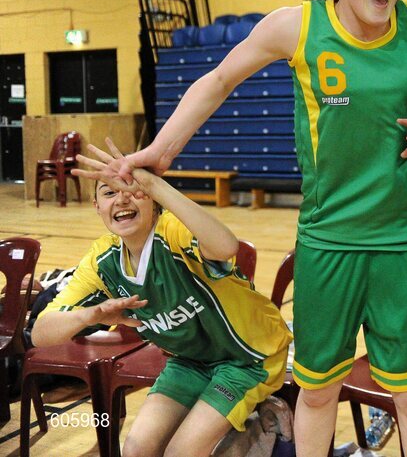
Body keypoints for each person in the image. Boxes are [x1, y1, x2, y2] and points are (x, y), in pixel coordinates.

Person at [117, 0, 407, 457]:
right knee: (317, 392)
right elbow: (217, 80)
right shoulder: (298, 26)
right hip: (326, 242)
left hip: (404, 240)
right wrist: (160, 150)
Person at [35, 139, 292, 457]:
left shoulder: (174, 232)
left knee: (181, 452)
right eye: (110, 192)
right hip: (189, 362)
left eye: (134, 188)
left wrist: (156, 183)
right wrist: (92, 314)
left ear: (154, 201)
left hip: (249, 357)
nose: (122, 199)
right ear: (97, 206)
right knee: (136, 450)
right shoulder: (101, 260)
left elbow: (226, 246)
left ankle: (263, 430)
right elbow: (40, 333)